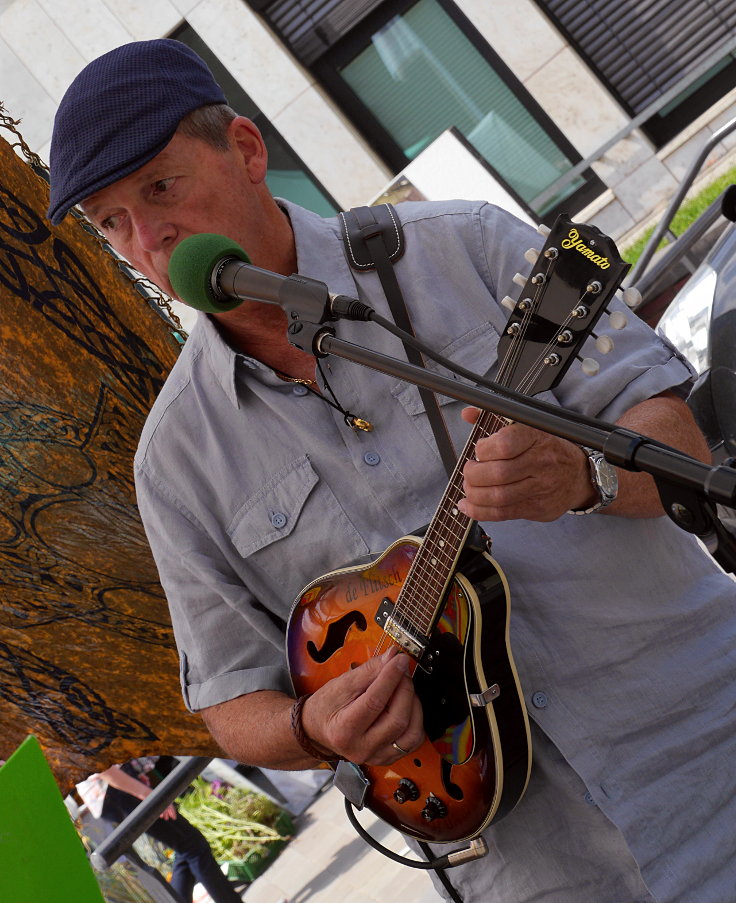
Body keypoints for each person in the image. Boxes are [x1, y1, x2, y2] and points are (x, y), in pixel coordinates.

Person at [47, 39, 736, 903]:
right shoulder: (177, 461)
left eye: (160, 187)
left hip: (709, 749)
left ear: (249, 151)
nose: (149, 241)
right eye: (112, 223)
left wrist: (584, 475)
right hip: (532, 868)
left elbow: (679, 440)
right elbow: (229, 699)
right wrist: (311, 725)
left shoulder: (466, 249)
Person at [76, 757, 243, 903]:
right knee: (192, 846)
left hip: (116, 790)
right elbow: (102, 768)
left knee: (188, 847)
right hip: (115, 789)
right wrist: (147, 794)